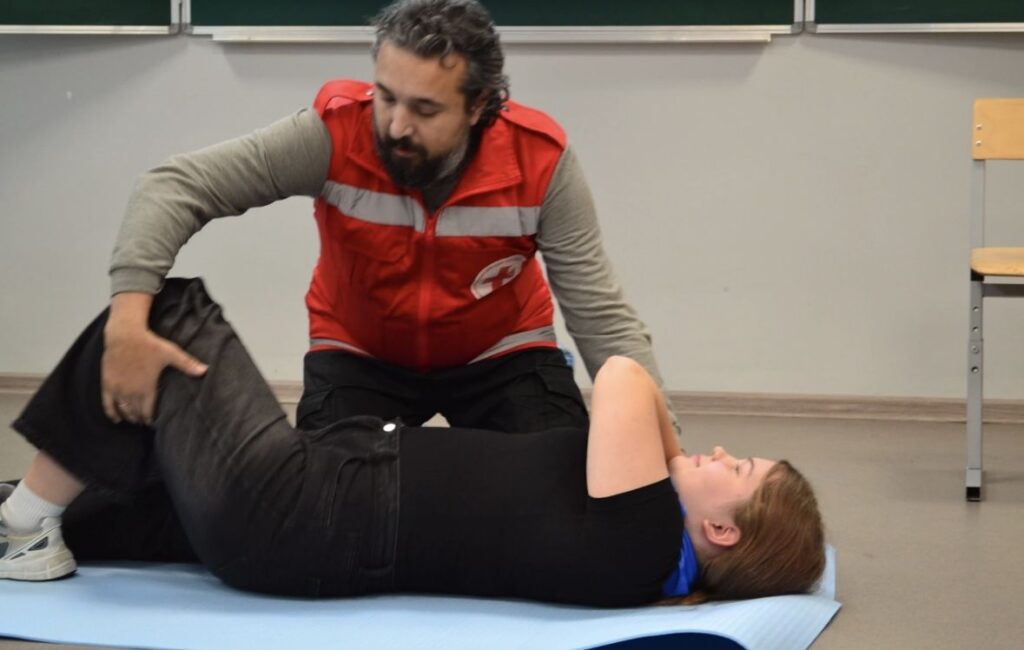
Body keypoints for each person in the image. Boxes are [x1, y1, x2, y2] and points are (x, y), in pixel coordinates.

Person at [0, 279, 824, 606]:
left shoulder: (643, 536)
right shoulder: (639, 548)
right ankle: (28, 517)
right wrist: (675, 459)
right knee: (114, 496)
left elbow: (621, 375)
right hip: (311, 504)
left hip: (302, 511)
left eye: (737, 470)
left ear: (723, 531)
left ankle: (26, 528)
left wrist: (672, 451)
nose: (719, 455)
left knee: (163, 321)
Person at [102, 0, 676, 436]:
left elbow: (602, 318)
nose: (397, 125)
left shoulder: (541, 161)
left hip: (501, 352)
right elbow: (173, 186)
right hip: (361, 353)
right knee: (325, 513)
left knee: (564, 495)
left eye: (425, 109)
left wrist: (667, 452)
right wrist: (126, 324)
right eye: (386, 97)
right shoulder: (332, 134)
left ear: (479, 105)